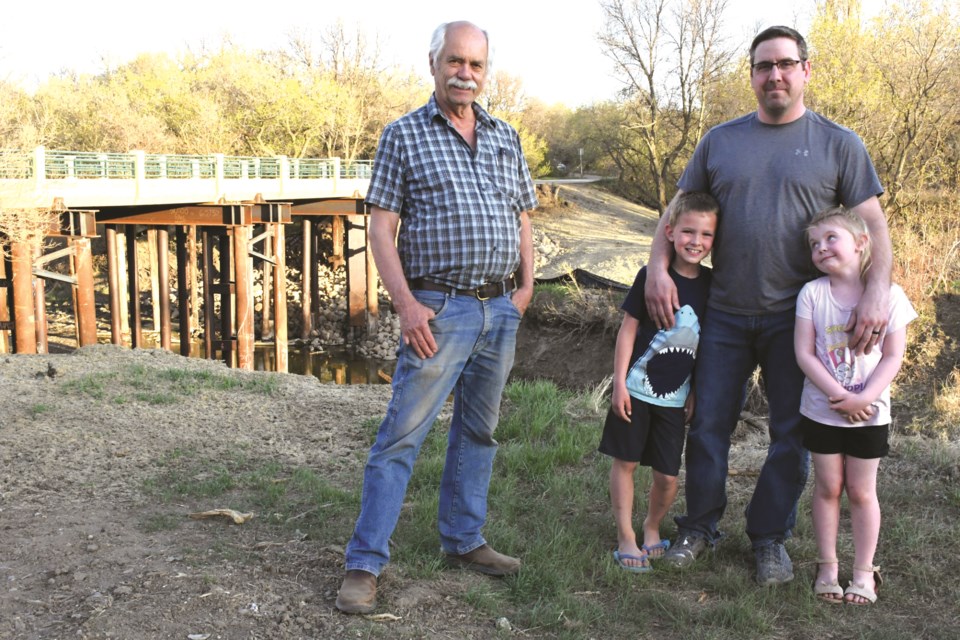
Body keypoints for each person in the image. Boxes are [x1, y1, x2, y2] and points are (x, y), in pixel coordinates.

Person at [643, 25, 894, 585]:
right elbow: (675, 212)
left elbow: (873, 226)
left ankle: (769, 539)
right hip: (725, 312)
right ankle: (700, 527)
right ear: (752, 76)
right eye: (763, 66)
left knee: (792, 434)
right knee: (708, 425)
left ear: (805, 69)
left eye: (785, 63)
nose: (774, 75)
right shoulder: (720, 141)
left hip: (798, 318)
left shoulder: (839, 144)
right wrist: (657, 269)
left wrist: (876, 291)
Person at [333, 20, 538, 615]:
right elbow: (380, 226)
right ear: (434, 64)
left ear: (485, 70)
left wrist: (524, 289)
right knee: (401, 437)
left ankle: (464, 539)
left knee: (479, 431)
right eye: (455, 62)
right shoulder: (403, 135)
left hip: (498, 309)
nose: (465, 74)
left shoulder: (506, 137)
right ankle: (364, 563)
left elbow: (524, 216)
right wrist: (406, 305)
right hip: (438, 309)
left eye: (475, 65)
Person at [796, 206, 916, 605]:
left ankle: (865, 572)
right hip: (821, 410)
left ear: (862, 243)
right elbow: (805, 354)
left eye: (831, 238)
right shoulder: (812, 294)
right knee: (829, 487)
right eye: (815, 243)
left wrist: (863, 398)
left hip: (870, 414)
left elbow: (894, 356)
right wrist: (839, 397)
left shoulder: (891, 297)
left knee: (862, 492)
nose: (821, 248)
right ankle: (828, 565)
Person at [600, 192, 717, 572]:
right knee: (627, 462)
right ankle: (625, 536)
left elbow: (706, 347)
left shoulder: (713, 286)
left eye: (706, 234)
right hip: (634, 392)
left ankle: (652, 527)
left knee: (668, 475)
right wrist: (618, 383)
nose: (695, 241)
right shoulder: (650, 277)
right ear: (669, 231)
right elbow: (628, 330)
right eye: (687, 231)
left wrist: (696, 390)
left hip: (674, 399)